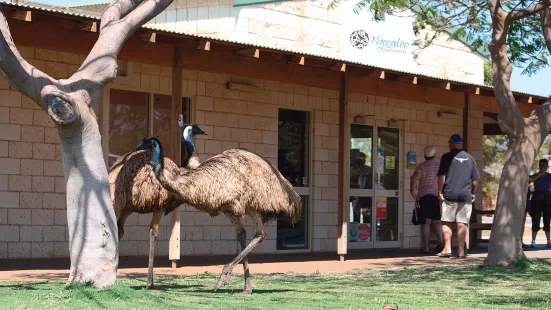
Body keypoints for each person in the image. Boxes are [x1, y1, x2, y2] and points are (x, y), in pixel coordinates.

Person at [437, 134, 479, 258]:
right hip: (465, 195)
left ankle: (447, 249)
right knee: (462, 223)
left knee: (446, 221)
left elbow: (441, 176)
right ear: (461, 144)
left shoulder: (446, 157)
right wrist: (473, 194)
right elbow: (475, 180)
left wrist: (439, 191)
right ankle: (461, 251)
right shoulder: (470, 158)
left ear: (451, 143)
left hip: (449, 194)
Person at [410, 146, 444, 254]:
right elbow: (443, 180)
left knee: (425, 222)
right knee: (437, 221)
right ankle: (441, 242)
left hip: (424, 196)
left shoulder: (421, 166)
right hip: (436, 196)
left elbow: (414, 178)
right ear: (434, 155)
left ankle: (426, 247)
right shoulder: (439, 166)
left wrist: (413, 191)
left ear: (425, 156)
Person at [528, 158, 551, 248]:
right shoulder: (536, 175)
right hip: (537, 199)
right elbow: (529, 181)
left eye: (543, 165)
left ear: (547, 166)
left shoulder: (549, 176)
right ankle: (533, 241)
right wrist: (539, 174)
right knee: (535, 220)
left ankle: (548, 241)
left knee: (547, 219)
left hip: (547, 199)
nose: (541, 167)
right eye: (540, 165)